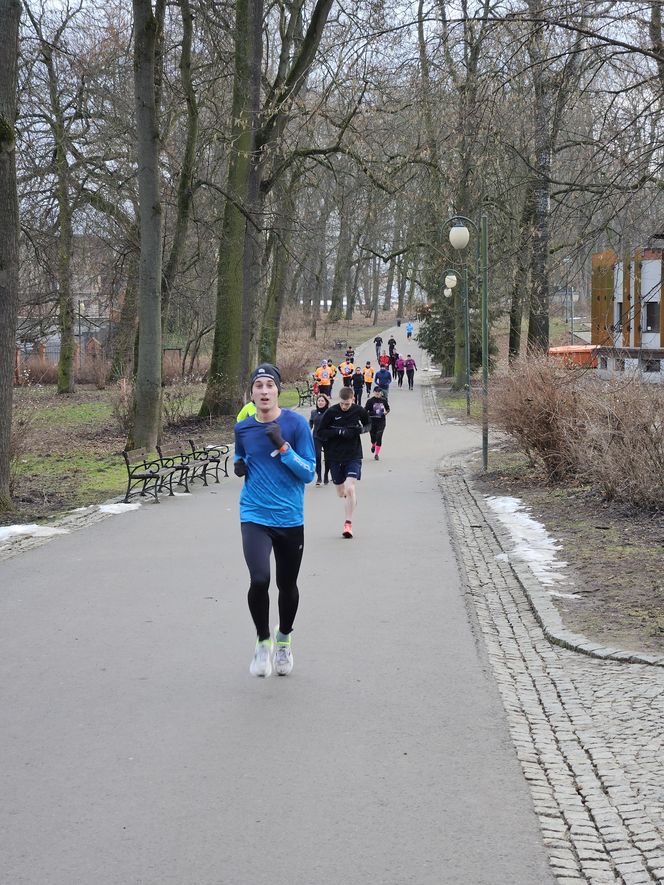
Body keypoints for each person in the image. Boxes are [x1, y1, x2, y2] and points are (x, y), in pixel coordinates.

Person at [234, 363, 316, 677]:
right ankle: (263, 641)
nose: (265, 391)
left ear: (278, 390)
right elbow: (241, 456)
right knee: (259, 580)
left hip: (289, 517)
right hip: (254, 514)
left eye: (270, 385)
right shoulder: (243, 428)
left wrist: (283, 447)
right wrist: (239, 464)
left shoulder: (295, 425)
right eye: (259, 386)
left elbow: (309, 473)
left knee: (287, 584)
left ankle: (283, 640)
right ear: (252, 392)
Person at [317, 386, 369, 539]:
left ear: (353, 399)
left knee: (350, 487)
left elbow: (368, 425)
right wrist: (337, 432)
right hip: (334, 456)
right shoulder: (331, 412)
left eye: (347, 404)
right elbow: (320, 432)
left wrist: (358, 430)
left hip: (353, 454)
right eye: (342, 404)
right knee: (341, 492)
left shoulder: (359, 411)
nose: (345, 406)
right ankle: (350, 499)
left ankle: (348, 524)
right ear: (339, 400)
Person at [309, 393, 330, 486]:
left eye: (322, 401)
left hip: (328, 437)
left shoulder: (330, 412)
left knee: (328, 458)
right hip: (316, 437)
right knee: (317, 456)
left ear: (326, 402)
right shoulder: (313, 412)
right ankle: (319, 477)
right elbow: (310, 423)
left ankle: (326, 475)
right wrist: (306, 431)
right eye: (319, 401)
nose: (320, 402)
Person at [365, 386, 390, 460]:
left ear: (381, 393)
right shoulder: (370, 401)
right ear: (374, 392)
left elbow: (388, 408)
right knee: (373, 437)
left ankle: (376, 454)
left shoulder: (384, 400)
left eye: (379, 392)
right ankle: (373, 444)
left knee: (379, 436)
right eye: (376, 392)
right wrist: (372, 413)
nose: (378, 393)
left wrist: (386, 412)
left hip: (381, 421)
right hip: (372, 421)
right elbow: (365, 410)